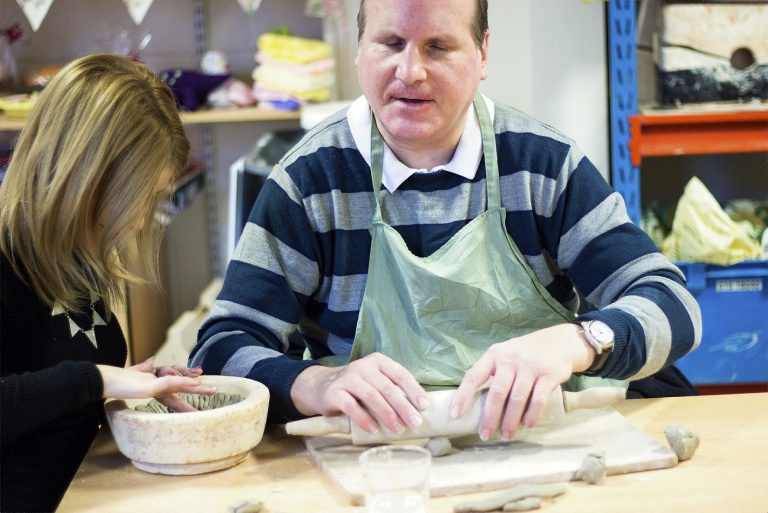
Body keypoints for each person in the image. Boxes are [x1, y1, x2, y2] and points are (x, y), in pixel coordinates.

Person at [191, 0, 701, 442]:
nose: (410, 71)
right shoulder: (308, 183)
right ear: (359, 48)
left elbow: (673, 303)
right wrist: (312, 384)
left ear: (482, 53)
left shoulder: (543, 166)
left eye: (438, 46)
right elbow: (221, 346)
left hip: (539, 444)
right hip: (379, 463)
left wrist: (579, 342)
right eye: (390, 43)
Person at [0, 54, 217, 513]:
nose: (141, 217)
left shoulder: (76, 251)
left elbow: (55, 389)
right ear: (87, 176)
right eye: (138, 196)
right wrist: (96, 379)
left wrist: (128, 383)